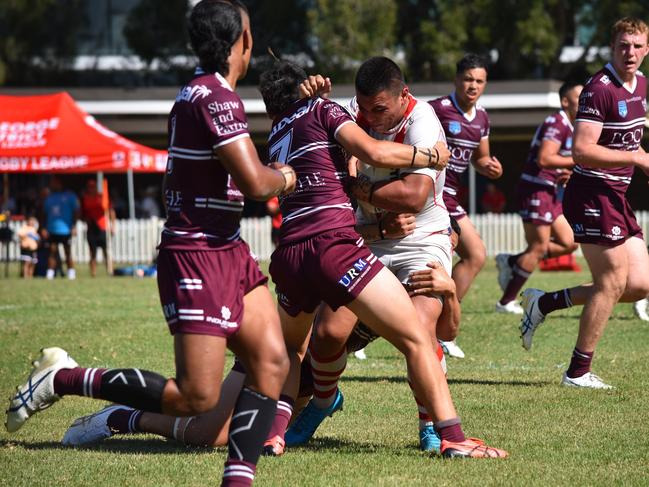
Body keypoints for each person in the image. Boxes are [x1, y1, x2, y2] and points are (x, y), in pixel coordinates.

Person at [7, 3, 296, 486]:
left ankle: (238, 480)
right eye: (251, 32)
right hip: (198, 254)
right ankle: (62, 378)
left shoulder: (205, 93)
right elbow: (255, 184)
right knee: (196, 398)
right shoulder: (215, 98)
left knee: (271, 359)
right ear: (240, 42)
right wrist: (288, 176)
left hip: (226, 247)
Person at [268, 58, 506, 458]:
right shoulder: (349, 113)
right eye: (364, 108)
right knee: (327, 335)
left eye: (380, 109)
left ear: (403, 96)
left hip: (422, 240)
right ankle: (324, 402)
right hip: (369, 240)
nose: (370, 117)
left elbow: (413, 197)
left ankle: (431, 424)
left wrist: (360, 189)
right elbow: (341, 164)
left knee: (420, 327)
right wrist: (311, 94)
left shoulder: (424, 121)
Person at [519, 17, 649, 389]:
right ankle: (577, 372)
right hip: (591, 194)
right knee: (611, 283)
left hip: (615, 196)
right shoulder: (598, 88)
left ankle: (543, 304)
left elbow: (627, 142)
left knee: (639, 284)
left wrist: (641, 157)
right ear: (612, 46)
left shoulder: (640, 85)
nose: (631, 52)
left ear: (647, 48)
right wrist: (638, 160)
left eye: (638, 45)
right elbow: (582, 150)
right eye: (624, 45)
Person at [429, 53, 503, 358]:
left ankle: (442, 330)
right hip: (428, 195)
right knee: (435, 259)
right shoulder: (437, 110)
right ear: (457, 80)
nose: (473, 85)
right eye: (468, 79)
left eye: (479, 81)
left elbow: (480, 157)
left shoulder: (482, 118)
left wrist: (489, 167)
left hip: (452, 198)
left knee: (476, 255)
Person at [496, 82, 582, 313]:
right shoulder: (557, 122)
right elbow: (544, 159)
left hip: (549, 191)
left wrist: (568, 171)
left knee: (569, 242)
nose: (585, 102)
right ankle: (505, 302)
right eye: (579, 97)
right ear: (565, 101)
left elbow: (555, 161)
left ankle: (512, 262)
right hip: (536, 189)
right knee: (538, 247)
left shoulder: (572, 127)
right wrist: (575, 161)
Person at [42, 175, 80, 280]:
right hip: (52, 229)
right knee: (52, 252)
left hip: (65, 229)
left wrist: (74, 225)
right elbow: (43, 213)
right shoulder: (49, 197)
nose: (52, 185)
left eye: (54, 183)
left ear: (60, 183)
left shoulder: (70, 196)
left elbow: (77, 211)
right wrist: (44, 227)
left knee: (67, 252)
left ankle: (71, 273)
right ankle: (50, 273)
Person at [81, 179, 116, 277]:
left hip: (102, 228)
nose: (91, 189)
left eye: (93, 187)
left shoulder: (102, 198)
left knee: (106, 251)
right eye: (89, 187)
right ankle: (93, 273)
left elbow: (111, 211)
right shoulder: (85, 199)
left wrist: (113, 226)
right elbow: (83, 213)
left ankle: (110, 271)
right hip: (91, 228)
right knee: (93, 253)